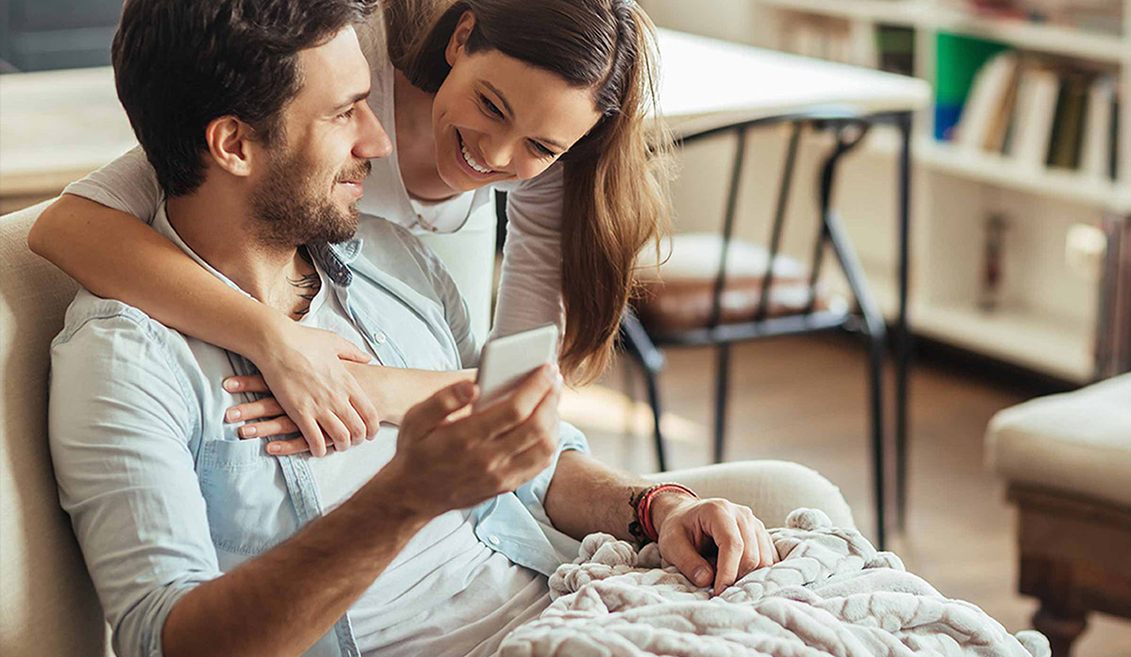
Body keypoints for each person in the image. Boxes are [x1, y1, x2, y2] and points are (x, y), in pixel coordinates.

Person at [47, 1, 773, 656]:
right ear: (235, 144)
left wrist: (655, 506)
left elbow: (528, 440)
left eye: (371, 103)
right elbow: (164, 640)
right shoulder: (128, 359)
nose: (384, 139)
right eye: (346, 111)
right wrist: (406, 493)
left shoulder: (395, 262)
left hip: (568, 603)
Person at [29, 0, 670, 458]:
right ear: (460, 39)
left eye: (540, 147)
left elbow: (510, 395)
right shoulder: (343, 69)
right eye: (490, 106)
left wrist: (374, 388)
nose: (499, 159)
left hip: (405, 281)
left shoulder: (549, 141)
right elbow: (67, 226)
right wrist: (272, 337)